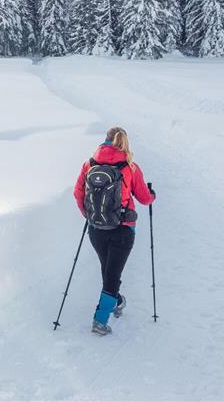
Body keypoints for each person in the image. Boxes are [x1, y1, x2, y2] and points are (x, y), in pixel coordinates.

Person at [73, 126, 155, 335]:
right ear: (124, 143)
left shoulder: (89, 164)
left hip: (96, 230)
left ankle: (116, 301)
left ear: (105, 141)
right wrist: (152, 194)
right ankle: (100, 320)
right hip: (123, 229)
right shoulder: (130, 167)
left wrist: (89, 215)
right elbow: (145, 198)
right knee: (112, 274)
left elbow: (78, 193)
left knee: (108, 270)